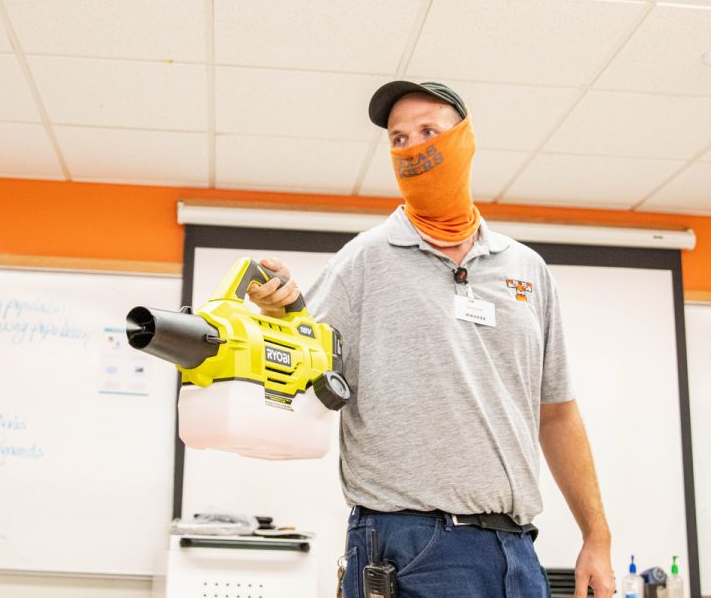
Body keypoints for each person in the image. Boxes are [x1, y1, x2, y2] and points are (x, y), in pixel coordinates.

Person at [247, 81, 614, 598]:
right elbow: (301, 361)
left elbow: (556, 413)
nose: (411, 149)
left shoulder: (527, 271)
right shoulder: (364, 261)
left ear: (463, 141)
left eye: (427, 132)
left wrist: (596, 536)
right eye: (398, 139)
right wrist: (282, 313)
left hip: (516, 551)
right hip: (409, 546)